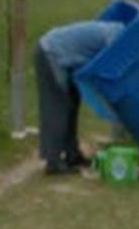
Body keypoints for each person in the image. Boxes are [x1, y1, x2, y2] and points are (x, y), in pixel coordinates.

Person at [34, 19, 124, 175]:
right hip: (50, 53)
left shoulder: (114, 29)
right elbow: (109, 67)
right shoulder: (115, 37)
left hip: (63, 55)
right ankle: (53, 161)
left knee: (72, 104)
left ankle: (72, 154)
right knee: (57, 107)